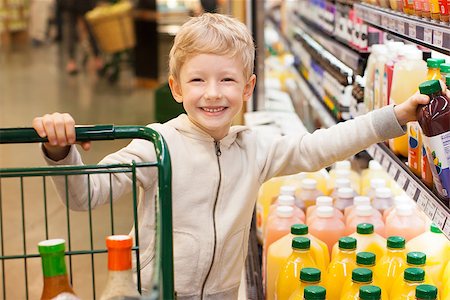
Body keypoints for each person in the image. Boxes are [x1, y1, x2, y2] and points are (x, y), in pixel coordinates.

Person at [33, 13, 435, 299]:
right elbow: (85, 195)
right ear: (175, 87)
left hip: (225, 293)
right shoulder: (155, 144)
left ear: (248, 88)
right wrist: (59, 149)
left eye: (227, 79)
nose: (212, 92)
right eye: (197, 80)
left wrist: (393, 117)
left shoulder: (255, 147)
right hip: (156, 291)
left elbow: (319, 147)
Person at [63, 0, 103, 74]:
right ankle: (72, 61)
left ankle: (97, 58)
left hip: (83, 4)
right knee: (72, 31)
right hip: (72, 4)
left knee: (91, 30)